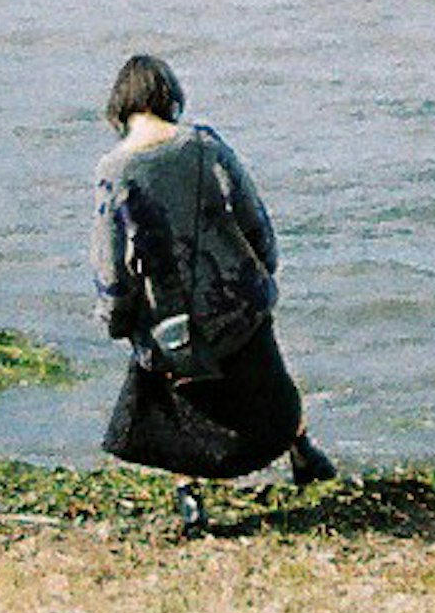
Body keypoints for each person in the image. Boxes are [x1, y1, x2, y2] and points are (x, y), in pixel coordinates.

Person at [90, 52, 335, 515]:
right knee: (270, 387)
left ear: (120, 106)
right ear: (169, 98)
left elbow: (110, 260)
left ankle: (188, 492)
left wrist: (118, 317)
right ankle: (303, 452)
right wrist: (263, 269)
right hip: (233, 300)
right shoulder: (205, 146)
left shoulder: (114, 170)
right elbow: (251, 214)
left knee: (178, 407)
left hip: (168, 318)